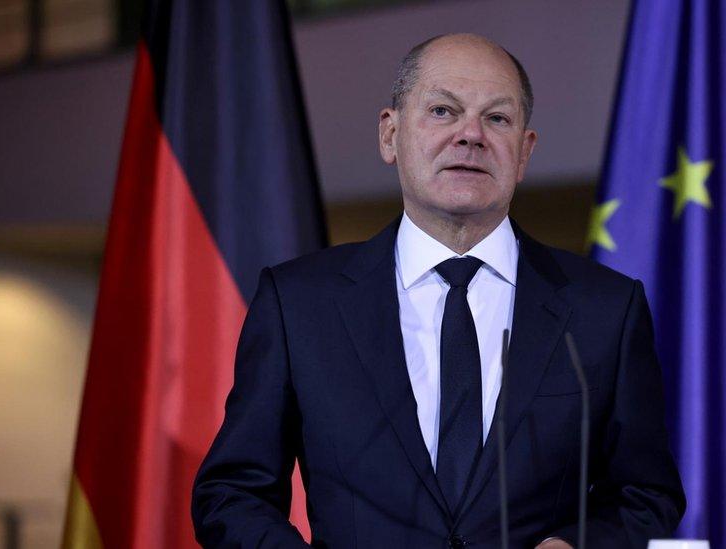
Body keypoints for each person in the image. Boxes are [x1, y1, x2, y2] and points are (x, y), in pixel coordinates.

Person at [192, 33, 684, 548]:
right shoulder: (298, 303)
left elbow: (646, 493)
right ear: (390, 134)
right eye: (444, 111)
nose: (470, 135)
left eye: (497, 118)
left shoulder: (605, 307)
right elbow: (231, 493)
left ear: (524, 152)